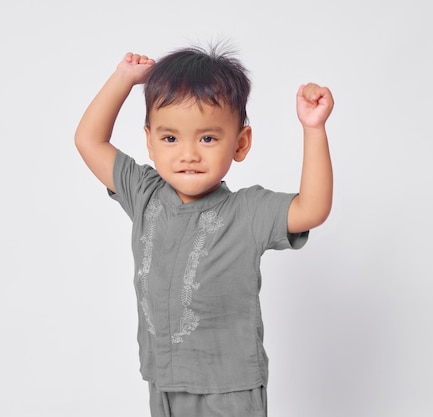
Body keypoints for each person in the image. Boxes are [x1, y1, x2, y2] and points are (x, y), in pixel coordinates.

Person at [74, 45, 334, 417]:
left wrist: (314, 130)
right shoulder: (145, 194)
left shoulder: (247, 211)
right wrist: (123, 80)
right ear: (150, 141)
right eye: (170, 138)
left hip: (228, 387)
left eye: (208, 138)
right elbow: (89, 140)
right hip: (162, 378)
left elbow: (312, 209)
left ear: (240, 143)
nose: (188, 154)